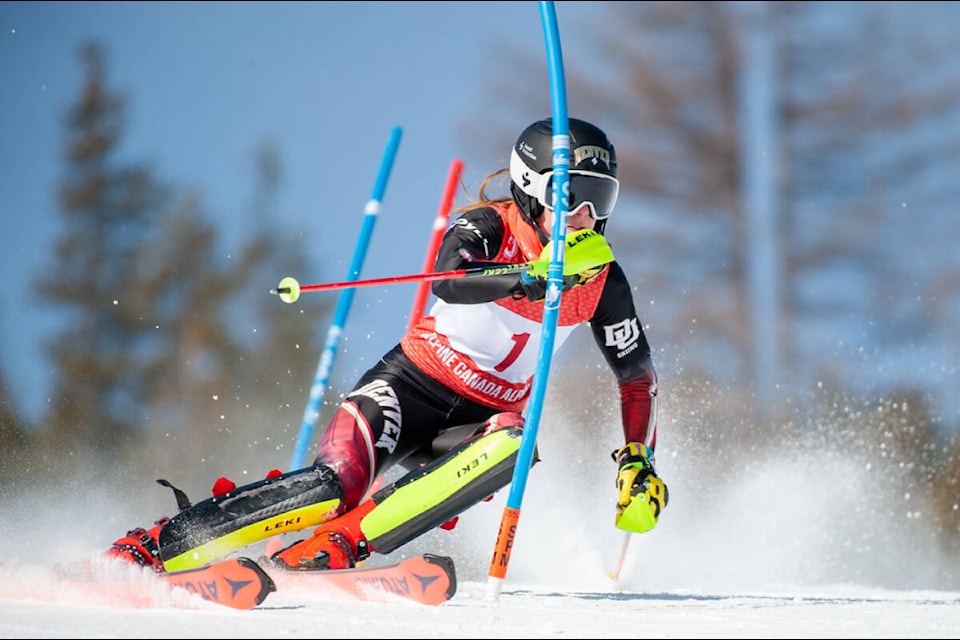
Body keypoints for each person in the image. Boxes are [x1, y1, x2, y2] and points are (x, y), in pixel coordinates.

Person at [108, 117, 668, 574]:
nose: (585, 217)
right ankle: (162, 543)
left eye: (600, 199)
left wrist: (636, 460)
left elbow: (636, 376)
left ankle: (334, 547)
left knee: (513, 445)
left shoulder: (603, 279)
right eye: (569, 195)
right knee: (334, 486)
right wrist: (525, 279)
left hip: (476, 423)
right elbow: (449, 279)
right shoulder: (488, 226)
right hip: (410, 386)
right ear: (528, 188)